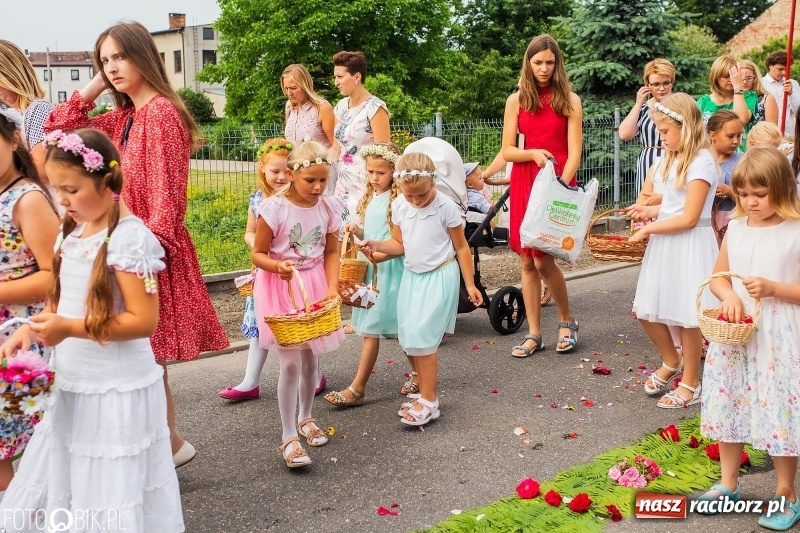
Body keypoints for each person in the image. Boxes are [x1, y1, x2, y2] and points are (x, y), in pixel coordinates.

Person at [44, 21, 229, 467]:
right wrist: (95, 86)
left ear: (143, 56)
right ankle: (168, 445)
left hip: (144, 252)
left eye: (120, 57)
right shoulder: (126, 116)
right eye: (104, 61)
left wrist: (136, 255)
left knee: (144, 359)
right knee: (143, 361)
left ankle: (165, 446)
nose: (112, 67)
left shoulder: (161, 113)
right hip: (127, 247)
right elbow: (57, 133)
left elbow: (168, 204)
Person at [0, 128, 184, 532]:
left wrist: (69, 328)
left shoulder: (130, 239)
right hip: (74, 380)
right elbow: (62, 296)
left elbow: (143, 321)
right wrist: (31, 329)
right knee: (73, 477)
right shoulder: (73, 229)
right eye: (56, 190)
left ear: (106, 182)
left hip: (115, 388)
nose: (62, 201)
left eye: (71, 190)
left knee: (108, 488)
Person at [699, 147, 800, 530]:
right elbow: (719, 277)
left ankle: (786, 491)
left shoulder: (795, 230)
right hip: (737, 332)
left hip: (779, 334)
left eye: (760, 194)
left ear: (783, 188)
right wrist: (729, 296)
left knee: (780, 408)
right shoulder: (737, 227)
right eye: (744, 194)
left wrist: (774, 288)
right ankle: (728, 482)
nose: (751, 201)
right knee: (731, 401)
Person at [361, 152, 483, 426]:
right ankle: (424, 394)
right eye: (410, 196)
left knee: (423, 337)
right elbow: (399, 245)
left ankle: (429, 401)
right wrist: (376, 245)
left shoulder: (446, 207)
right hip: (412, 277)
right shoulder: (399, 206)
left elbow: (462, 247)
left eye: (422, 195)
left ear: (433, 183)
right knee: (409, 336)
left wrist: (470, 284)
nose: (416, 201)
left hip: (439, 275)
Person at [625, 92, 719, 409]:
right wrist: (648, 209)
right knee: (645, 308)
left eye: (665, 131)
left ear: (685, 127)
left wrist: (649, 228)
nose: (661, 137)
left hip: (689, 243)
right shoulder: (673, 157)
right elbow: (674, 204)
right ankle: (671, 359)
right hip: (667, 240)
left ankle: (692, 382)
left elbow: (690, 217)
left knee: (687, 316)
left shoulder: (701, 161)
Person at [252, 141, 343, 468]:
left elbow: (331, 251)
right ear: (291, 175)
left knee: (310, 360)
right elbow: (258, 253)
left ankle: (306, 417)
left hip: (314, 283)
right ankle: (288, 434)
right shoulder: (274, 209)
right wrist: (277, 266)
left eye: (323, 180)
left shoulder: (328, 207)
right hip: (282, 287)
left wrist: (331, 286)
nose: (318, 187)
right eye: (310, 180)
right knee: (290, 363)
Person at [501, 34, 582, 357]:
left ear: (557, 63)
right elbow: (508, 150)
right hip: (525, 180)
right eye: (538, 62)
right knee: (526, 260)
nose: (544, 68)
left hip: (556, 184)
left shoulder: (570, 100)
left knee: (543, 259)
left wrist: (558, 187)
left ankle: (567, 320)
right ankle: (534, 333)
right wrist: (531, 153)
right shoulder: (516, 100)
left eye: (550, 62)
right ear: (529, 63)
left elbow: (574, 152)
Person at [0, 104, 59, 494]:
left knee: (32, 447)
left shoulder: (26, 199)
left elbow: (56, 276)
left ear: (13, 138)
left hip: (21, 339)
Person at [324, 141, 410, 407]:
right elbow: (371, 232)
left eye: (380, 173)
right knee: (384, 328)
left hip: (388, 270)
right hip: (371, 268)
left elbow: (399, 243)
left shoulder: (398, 201)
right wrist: (357, 230)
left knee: (389, 329)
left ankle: (358, 389)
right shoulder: (371, 196)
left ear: (394, 172)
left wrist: (378, 256)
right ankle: (417, 372)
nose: (374, 177)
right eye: (370, 172)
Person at [332, 51, 390, 223]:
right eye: (335, 77)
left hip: (366, 183)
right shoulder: (341, 106)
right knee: (341, 231)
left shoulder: (375, 108)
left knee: (362, 232)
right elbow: (336, 148)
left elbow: (383, 155)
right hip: (342, 185)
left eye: (340, 77)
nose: (336, 82)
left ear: (356, 76)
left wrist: (373, 192)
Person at [0, 40, 55, 184]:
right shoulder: (6, 115)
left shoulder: (38, 110)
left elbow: (42, 171)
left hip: (37, 195)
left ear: (10, 76)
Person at [619, 58, 676, 191]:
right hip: (648, 162)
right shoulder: (643, 108)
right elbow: (624, 134)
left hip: (674, 161)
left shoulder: (682, 105)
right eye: (656, 84)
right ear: (648, 85)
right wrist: (639, 103)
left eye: (666, 83)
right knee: (645, 200)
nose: (661, 88)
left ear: (672, 81)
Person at [282, 64, 336, 194]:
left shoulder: (322, 107)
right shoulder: (289, 107)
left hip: (319, 175)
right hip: (297, 174)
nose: (289, 93)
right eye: (286, 88)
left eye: (293, 88)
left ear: (305, 85)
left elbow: (335, 145)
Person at [697, 55, 757, 149]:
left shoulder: (748, 96)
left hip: (738, 154)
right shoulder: (704, 101)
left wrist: (737, 88)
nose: (731, 79)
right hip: (710, 153)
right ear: (716, 77)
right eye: (726, 76)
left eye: (733, 75)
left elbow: (741, 119)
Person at [707, 111, 744, 243]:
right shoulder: (701, 160)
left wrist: (730, 191)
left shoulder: (742, 163)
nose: (736, 141)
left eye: (739, 136)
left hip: (731, 222)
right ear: (712, 135)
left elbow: (751, 197)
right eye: (730, 136)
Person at [762, 50, 800, 137]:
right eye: (780, 69)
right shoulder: (761, 84)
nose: (784, 73)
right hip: (768, 135)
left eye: (787, 69)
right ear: (770, 66)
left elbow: (798, 112)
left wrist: (791, 93)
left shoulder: (793, 84)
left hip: (789, 135)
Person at [739, 59, 778, 129]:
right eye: (740, 77)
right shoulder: (732, 97)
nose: (744, 81)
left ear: (755, 78)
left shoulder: (767, 99)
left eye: (748, 78)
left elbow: (772, 130)